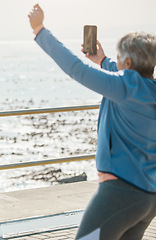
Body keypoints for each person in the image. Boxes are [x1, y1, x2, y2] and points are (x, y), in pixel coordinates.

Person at [28, 4, 156, 240]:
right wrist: (104, 60)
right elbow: (119, 77)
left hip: (120, 194)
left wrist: (40, 31)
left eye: (119, 57)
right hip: (149, 199)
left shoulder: (124, 87)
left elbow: (76, 69)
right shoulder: (149, 89)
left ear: (127, 63)